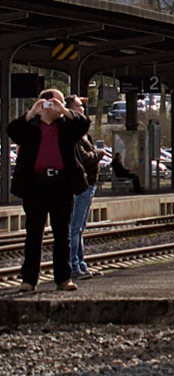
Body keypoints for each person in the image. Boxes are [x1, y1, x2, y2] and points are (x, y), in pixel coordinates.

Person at [9, 87, 93, 291]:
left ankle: (63, 279)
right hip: (35, 186)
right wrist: (31, 113)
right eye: (52, 102)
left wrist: (64, 111)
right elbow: (12, 131)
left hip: (62, 184)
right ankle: (29, 280)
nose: (55, 105)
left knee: (62, 233)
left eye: (59, 102)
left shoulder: (66, 126)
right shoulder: (30, 126)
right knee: (34, 234)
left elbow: (84, 124)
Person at [67, 96, 100, 278]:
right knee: (75, 227)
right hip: (81, 185)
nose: (83, 109)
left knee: (80, 227)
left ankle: (81, 263)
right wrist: (99, 154)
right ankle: (74, 266)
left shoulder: (82, 134)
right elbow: (84, 158)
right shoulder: (73, 134)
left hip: (89, 184)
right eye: (80, 106)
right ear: (72, 109)